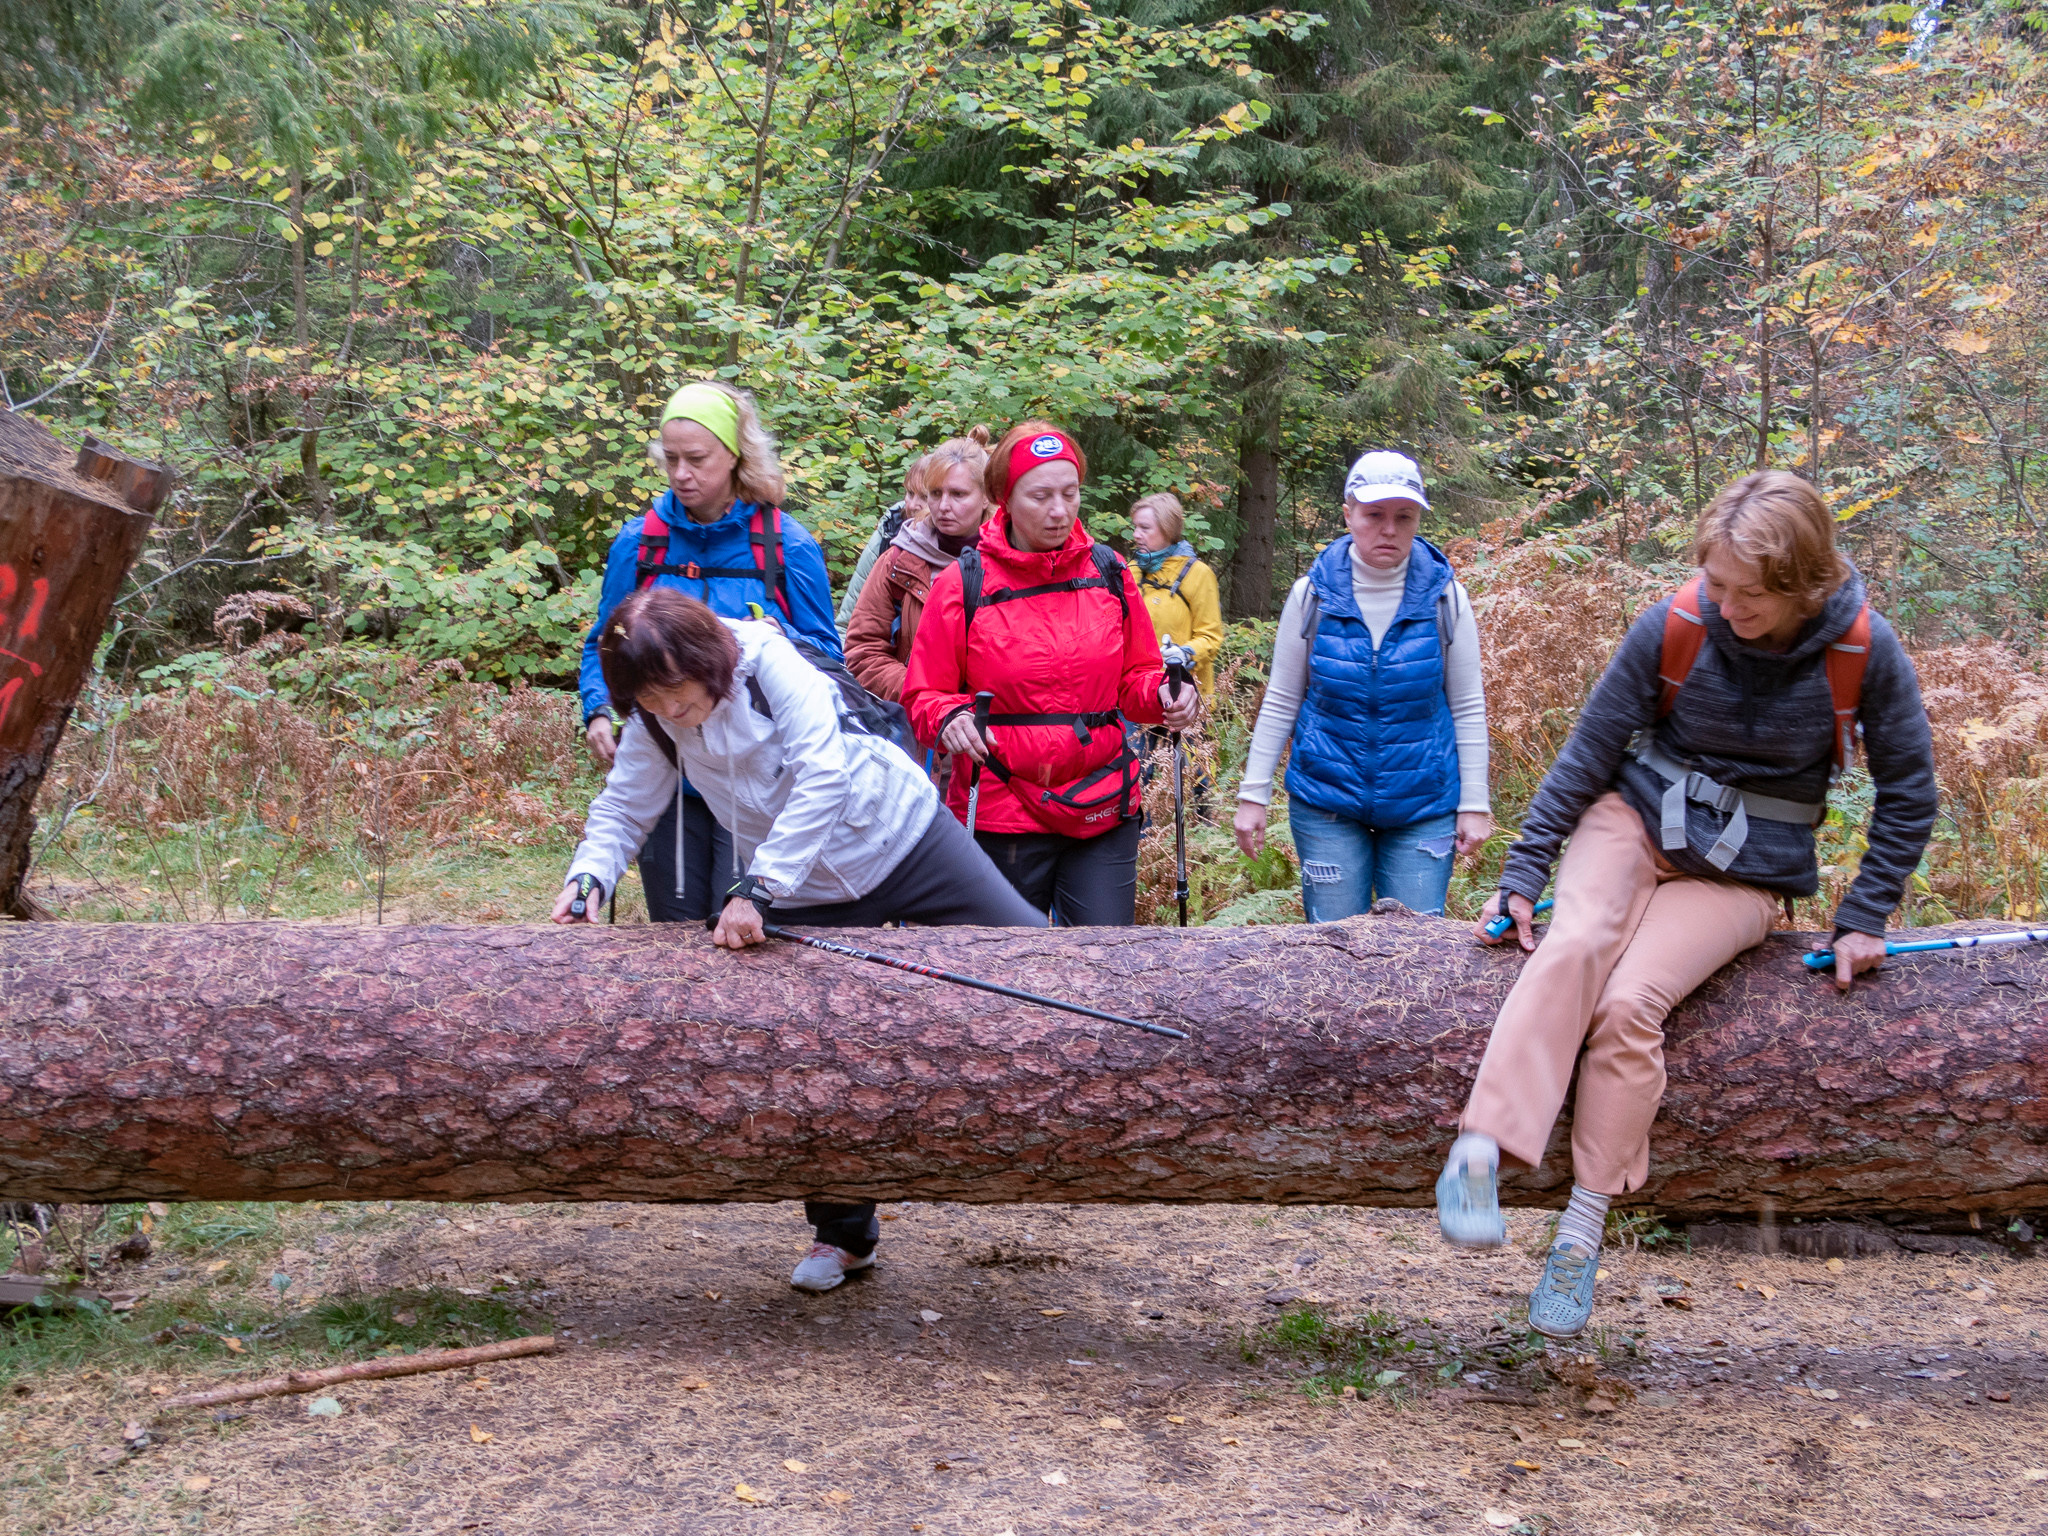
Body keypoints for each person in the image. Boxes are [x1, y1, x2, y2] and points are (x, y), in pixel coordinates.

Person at [1437, 471, 1937, 1338]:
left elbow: (1910, 792)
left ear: (1803, 587)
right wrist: (1524, 871)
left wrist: (1866, 915)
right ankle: (1479, 1152)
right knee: (1579, 939)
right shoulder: (1676, 621)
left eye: (1751, 595)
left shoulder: (1862, 648)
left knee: (1633, 1004)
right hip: (1633, 820)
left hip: (1746, 874)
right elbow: (1590, 749)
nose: (1729, 606)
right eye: (1718, 584)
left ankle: (1583, 1228)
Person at [557, 588, 1045, 1292]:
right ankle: (845, 1236)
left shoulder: (768, 663)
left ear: (707, 660)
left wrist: (757, 887)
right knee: (821, 1054)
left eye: (680, 699)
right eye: (655, 707)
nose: (672, 716)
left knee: (1036, 955)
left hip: (901, 835)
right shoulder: (659, 718)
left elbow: (825, 774)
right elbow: (626, 805)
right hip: (804, 890)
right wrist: (589, 878)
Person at [902, 421, 1200, 924]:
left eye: (1070, 493)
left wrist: (1169, 695)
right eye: (1041, 496)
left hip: (1101, 803)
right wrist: (949, 716)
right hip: (1001, 809)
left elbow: (1137, 681)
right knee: (1006, 975)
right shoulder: (963, 583)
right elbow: (922, 696)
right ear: (1005, 499)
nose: (1059, 510)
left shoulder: (1109, 573)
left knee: (1105, 966)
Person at [577, 380, 841, 924]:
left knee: (745, 929)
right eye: (670, 458)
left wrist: (761, 638)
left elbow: (826, 659)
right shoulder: (640, 542)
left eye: (696, 459)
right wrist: (599, 708)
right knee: (674, 933)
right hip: (668, 768)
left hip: (756, 777)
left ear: (735, 455)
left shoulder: (786, 545)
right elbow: (607, 643)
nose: (680, 474)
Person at [1233, 450, 1492, 920]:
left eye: (1404, 516)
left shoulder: (1445, 598)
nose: (1389, 529)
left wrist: (1474, 803)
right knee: (1334, 948)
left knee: (1415, 954)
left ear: (1417, 520)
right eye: (1374, 515)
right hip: (1326, 802)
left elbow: (1469, 705)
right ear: (1348, 514)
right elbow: (1283, 699)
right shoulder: (1311, 596)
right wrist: (1254, 793)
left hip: (1424, 804)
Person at [845, 428, 994, 702]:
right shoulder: (900, 560)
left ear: (986, 497)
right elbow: (863, 649)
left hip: (993, 727)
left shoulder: (1010, 560)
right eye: (935, 494)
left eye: (958, 494)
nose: (943, 506)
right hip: (916, 728)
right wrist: (923, 697)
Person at [1129, 492, 1224, 700]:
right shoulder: (1131, 571)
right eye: (1135, 527)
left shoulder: (1197, 574)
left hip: (1182, 694)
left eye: (1144, 528)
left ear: (1167, 530)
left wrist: (1185, 654)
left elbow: (1211, 637)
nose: (1136, 534)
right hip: (1135, 695)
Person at [835, 457, 931, 628]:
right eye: (910, 493)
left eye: (924, 496)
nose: (913, 505)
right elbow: (847, 622)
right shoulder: (888, 535)